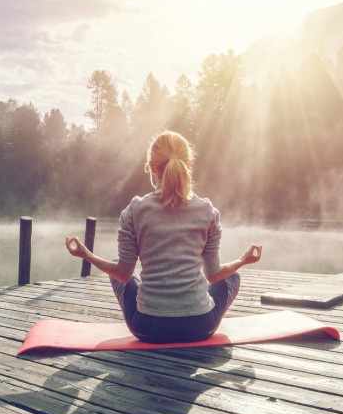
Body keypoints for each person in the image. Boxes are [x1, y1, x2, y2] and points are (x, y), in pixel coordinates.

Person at [65, 130, 261, 343]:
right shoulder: (207, 211)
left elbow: (123, 273)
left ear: (152, 168)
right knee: (231, 277)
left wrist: (87, 255)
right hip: (200, 326)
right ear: (188, 165)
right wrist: (243, 260)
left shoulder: (135, 210)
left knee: (121, 269)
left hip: (148, 328)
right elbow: (213, 275)